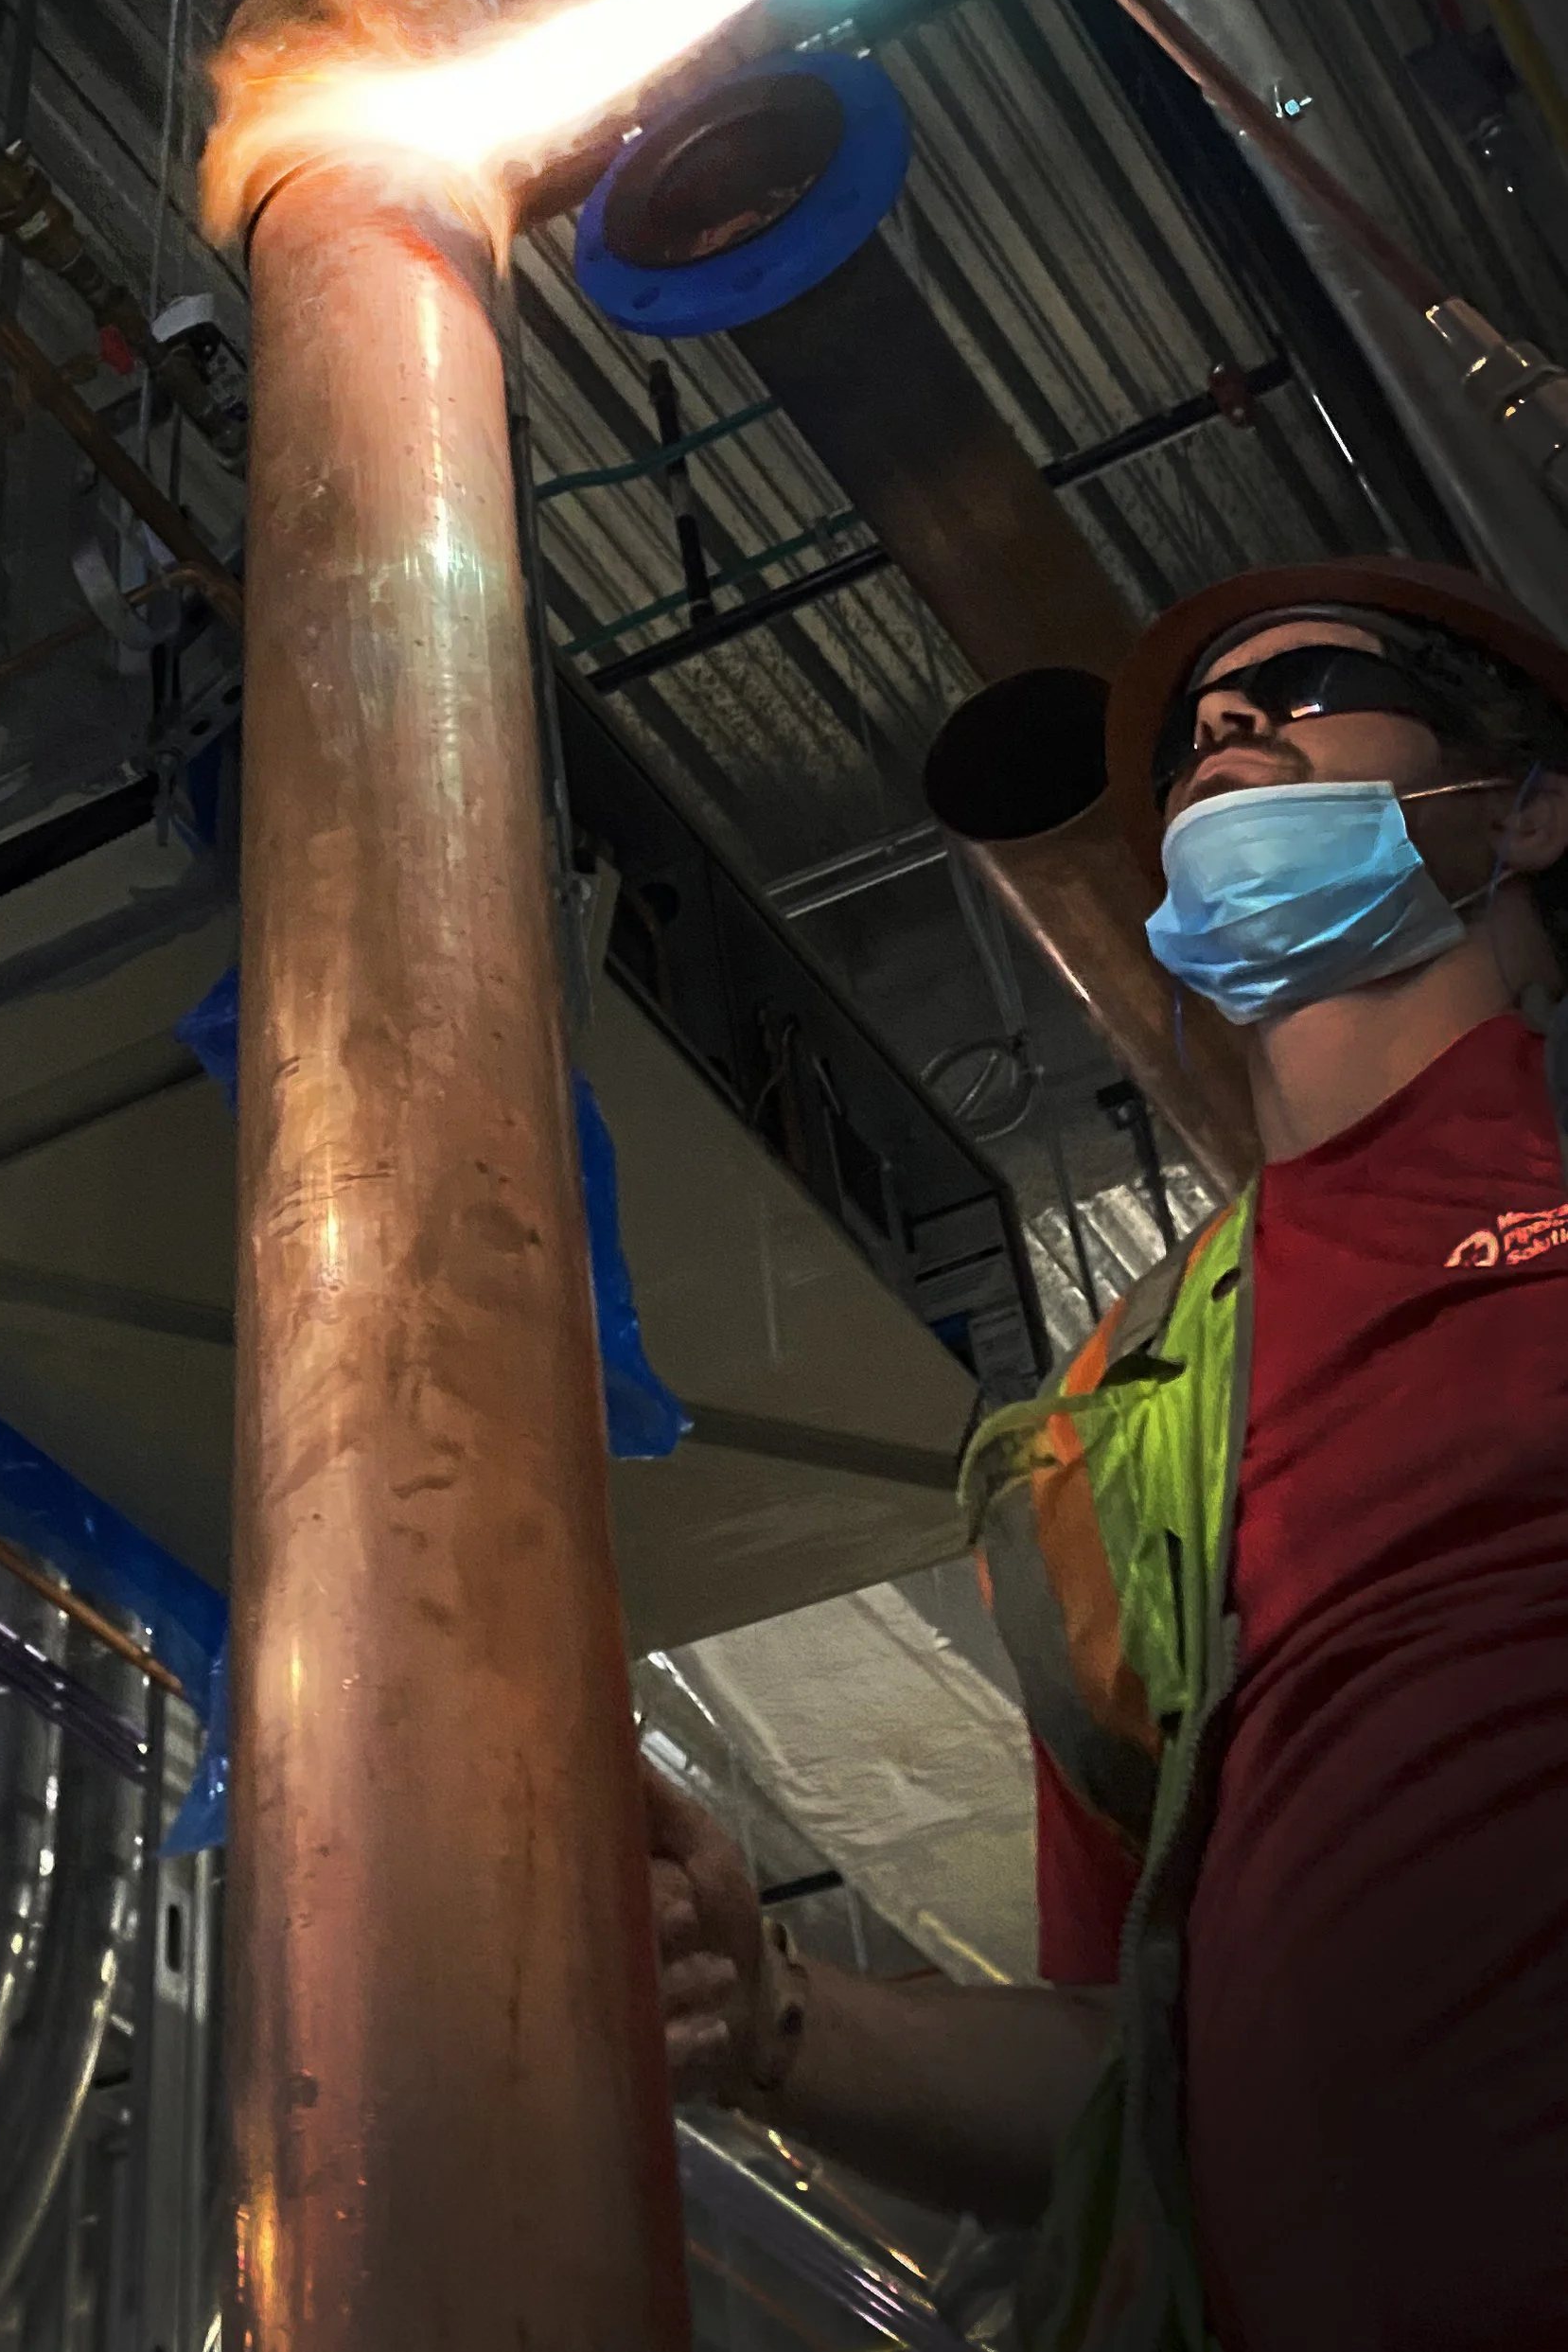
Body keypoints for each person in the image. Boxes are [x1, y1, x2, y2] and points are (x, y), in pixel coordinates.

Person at [649, 558, 1568, 2352]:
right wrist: (762, 2013)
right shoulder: (1109, 1437)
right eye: (1196, 746)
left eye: (1302, 687)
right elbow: (1126, 2064)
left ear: (1524, 808)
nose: (1223, 726)